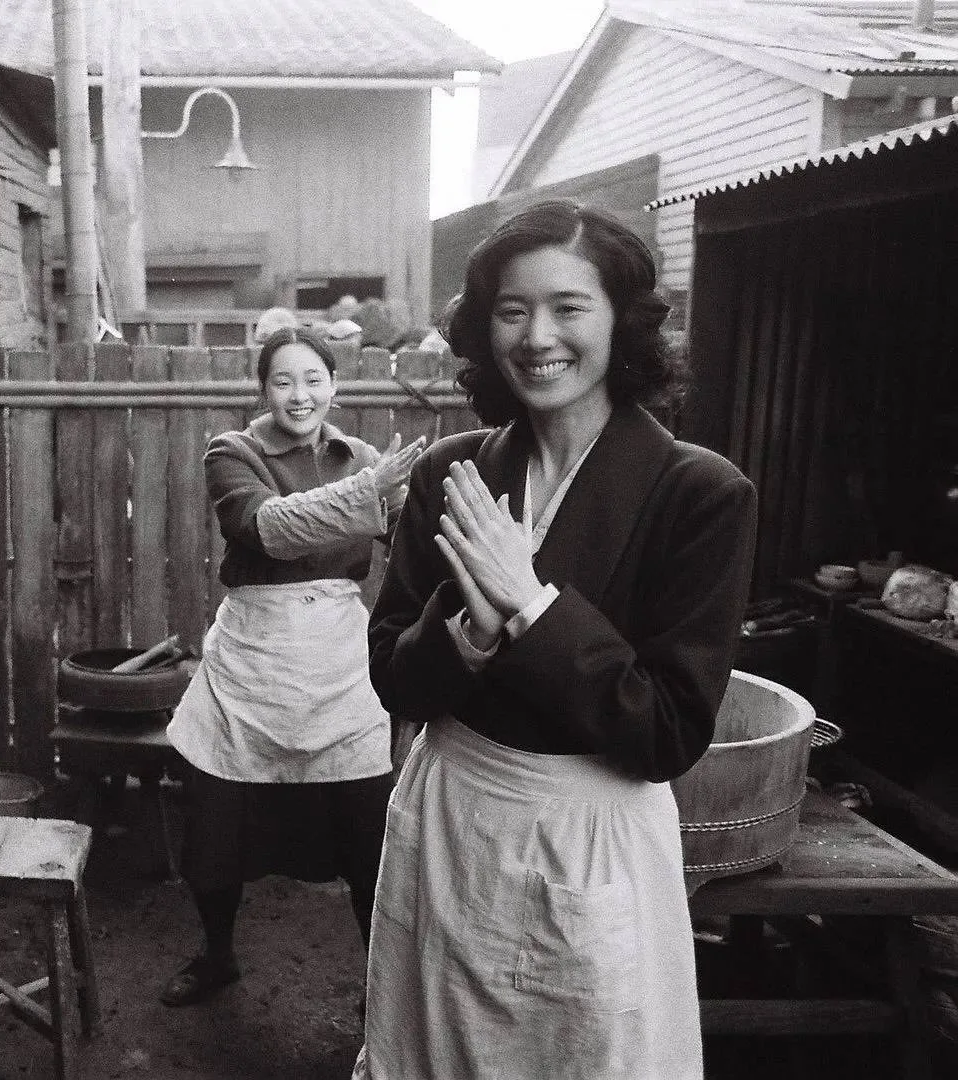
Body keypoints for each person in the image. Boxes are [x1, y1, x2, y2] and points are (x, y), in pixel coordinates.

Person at [352, 200, 757, 1078]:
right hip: (452, 815)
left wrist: (532, 605)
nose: (537, 337)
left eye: (569, 307)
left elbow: (666, 733)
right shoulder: (452, 472)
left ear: (622, 322)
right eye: (512, 310)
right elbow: (394, 679)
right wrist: (469, 628)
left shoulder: (700, 494)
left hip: (589, 838)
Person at [162, 326, 426, 1007]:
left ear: (334, 386)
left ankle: (381, 988)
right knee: (215, 823)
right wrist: (369, 493)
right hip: (251, 661)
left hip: (340, 660)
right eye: (283, 381)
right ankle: (217, 955)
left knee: (367, 830)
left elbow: (411, 549)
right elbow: (268, 529)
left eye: (313, 379)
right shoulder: (233, 452)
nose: (299, 395)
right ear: (263, 390)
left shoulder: (360, 457)